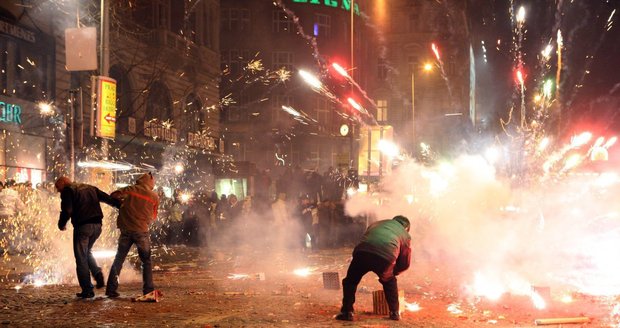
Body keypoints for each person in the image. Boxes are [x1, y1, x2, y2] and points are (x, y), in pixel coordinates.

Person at [335, 215, 412, 322]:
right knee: (390, 282)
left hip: (362, 252)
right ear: (406, 228)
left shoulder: (377, 223)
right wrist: (394, 272)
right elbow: (405, 263)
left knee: (350, 281)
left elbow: (366, 238)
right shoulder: (405, 235)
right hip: (385, 257)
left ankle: (347, 312)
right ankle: (394, 313)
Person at [55, 176, 119, 299]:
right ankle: (97, 273)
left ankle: (87, 290)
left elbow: (67, 210)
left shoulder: (68, 191)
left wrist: (61, 224)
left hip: (83, 227)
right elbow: (108, 199)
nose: (58, 191)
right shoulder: (90, 188)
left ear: (64, 183)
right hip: (97, 226)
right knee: (86, 251)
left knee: (81, 258)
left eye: (58, 187)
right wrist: (121, 206)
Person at [106, 173, 159, 298]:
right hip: (141, 231)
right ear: (150, 182)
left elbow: (113, 196)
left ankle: (111, 289)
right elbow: (153, 216)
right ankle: (148, 290)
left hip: (126, 230)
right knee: (146, 261)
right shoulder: (154, 196)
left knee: (119, 260)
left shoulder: (129, 189)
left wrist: (121, 206)